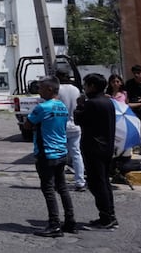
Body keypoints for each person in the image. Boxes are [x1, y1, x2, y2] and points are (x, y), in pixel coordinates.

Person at [24, 76, 77, 237]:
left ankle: (54, 224)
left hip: (46, 153)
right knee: (62, 187)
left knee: (48, 189)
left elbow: (27, 125)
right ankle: (70, 221)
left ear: (49, 89)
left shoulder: (42, 108)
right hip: (61, 151)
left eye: (40, 88)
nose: (38, 90)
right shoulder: (61, 106)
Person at [74, 73, 118, 229]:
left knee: (96, 184)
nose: (84, 88)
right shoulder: (108, 102)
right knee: (104, 182)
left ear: (92, 86)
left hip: (94, 148)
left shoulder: (91, 103)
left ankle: (106, 218)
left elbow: (79, 119)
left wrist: (80, 105)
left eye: (85, 85)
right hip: (106, 147)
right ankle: (109, 215)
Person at [55, 70, 86, 192]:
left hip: (60, 126)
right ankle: (80, 181)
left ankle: (59, 181)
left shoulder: (58, 90)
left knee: (59, 155)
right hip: (75, 125)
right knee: (76, 154)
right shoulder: (75, 89)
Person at [125, 65, 141, 154]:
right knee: (134, 127)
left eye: (138, 73)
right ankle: (135, 146)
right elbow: (127, 97)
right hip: (133, 108)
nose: (137, 75)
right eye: (135, 73)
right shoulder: (129, 84)